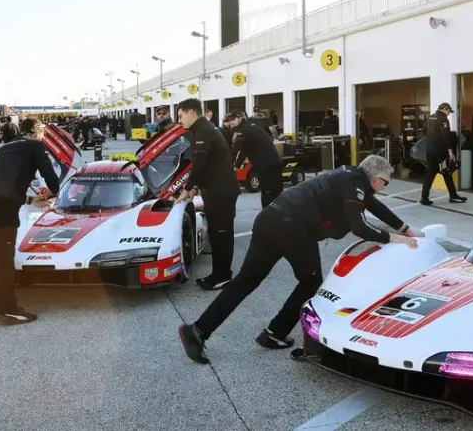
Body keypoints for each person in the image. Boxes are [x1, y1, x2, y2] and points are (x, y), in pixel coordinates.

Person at [178, 155, 422, 364]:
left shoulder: (349, 176)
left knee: (245, 281)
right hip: (292, 227)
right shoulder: (354, 183)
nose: (384, 186)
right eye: (386, 183)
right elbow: (359, 226)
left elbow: (375, 206)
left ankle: (197, 331)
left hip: (270, 218)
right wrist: (393, 237)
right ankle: (274, 332)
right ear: (377, 179)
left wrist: (405, 228)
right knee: (310, 281)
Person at [0, 117, 61, 325]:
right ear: (36, 131)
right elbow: (50, 176)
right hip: (2, 202)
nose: (43, 137)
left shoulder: (5, 147)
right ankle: (8, 310)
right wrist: (59, 194)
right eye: (43, 132)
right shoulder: (34, 145)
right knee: (2, 256)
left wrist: (28, 199)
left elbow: (0, 181)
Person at [173, 98, 241, 291]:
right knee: (217, 234)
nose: (179, 121)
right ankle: (219, 273)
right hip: (217, 190)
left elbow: (200, 164)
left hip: (221, 192)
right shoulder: (202, 128)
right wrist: (195, 189)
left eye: (181, 116)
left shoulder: (203, 130)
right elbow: (208, 164)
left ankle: (222, 277)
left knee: (221, 235)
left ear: (192, 113)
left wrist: (188, 188)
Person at [226, 111, 284, 208]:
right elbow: (244, 150)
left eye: (233, 119)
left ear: (240, 118)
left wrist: (228, 165)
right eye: (229, 120)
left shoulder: (243, 129)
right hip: (273, 164)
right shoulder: (249, 127)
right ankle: (276, 217)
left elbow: (235, 149)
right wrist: (236, 166)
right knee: (275, 194)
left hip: (268, 166)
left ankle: (269, 219)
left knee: (269, 195)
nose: (231, 123)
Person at [420, 102, 466, 206]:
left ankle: (451, 195)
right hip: (439, 151)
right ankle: (451, 196)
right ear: (445, 109)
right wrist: (450, 151)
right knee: (441, 172)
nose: (449, 113)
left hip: (430, 150)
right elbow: (445, 136)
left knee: (442, 172)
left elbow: (424, 130)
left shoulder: (430, 117)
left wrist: (432, 140)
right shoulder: (443, 119)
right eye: (449, 111)